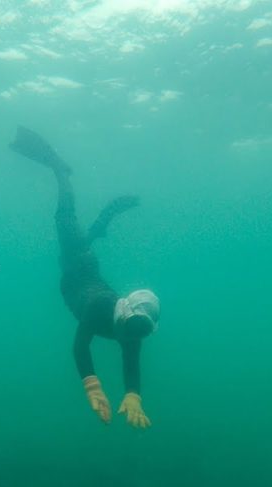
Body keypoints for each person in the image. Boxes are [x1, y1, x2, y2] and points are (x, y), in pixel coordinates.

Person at [10, 126, 160, 429]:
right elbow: (80, 346)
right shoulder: (102, 310)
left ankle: (107, 215)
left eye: (137, 333)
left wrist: (134, 395)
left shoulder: (135, 327)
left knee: (81, 237)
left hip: (82, 269)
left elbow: (131, 361)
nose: (130, 339)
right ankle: (59, 168)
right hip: (78, 267)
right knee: (64, 216)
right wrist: (93, 387)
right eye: (132, 331)